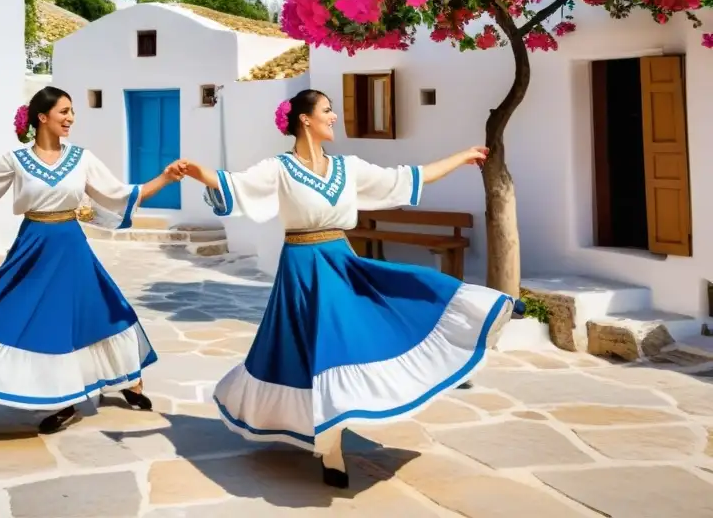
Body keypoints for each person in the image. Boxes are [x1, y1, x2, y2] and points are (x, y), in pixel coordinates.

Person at [179, 89, 525, 489]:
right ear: (305, 119)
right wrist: (195, 171)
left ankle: (488, 306)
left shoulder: (349, 167)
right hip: (302, 272)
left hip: (341, 263)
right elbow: (233, 185)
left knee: (390, 307)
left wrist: (461, 157)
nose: (334, 116)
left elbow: (405, 178)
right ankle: (329, 449)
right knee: (311, 353)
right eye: (327, 110)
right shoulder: (279, 168)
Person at [0, 86, 184, 434]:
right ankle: (61, 399)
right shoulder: (16, 161)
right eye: (64, 112)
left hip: (71, 246)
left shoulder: (82, 158)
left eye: (72, 112)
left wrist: (165, 177)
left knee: (101, 309)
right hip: (33, 247)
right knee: (19, 312)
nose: (70, 118)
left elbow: (121, 194)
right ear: (43, 117)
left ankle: (131, 381)